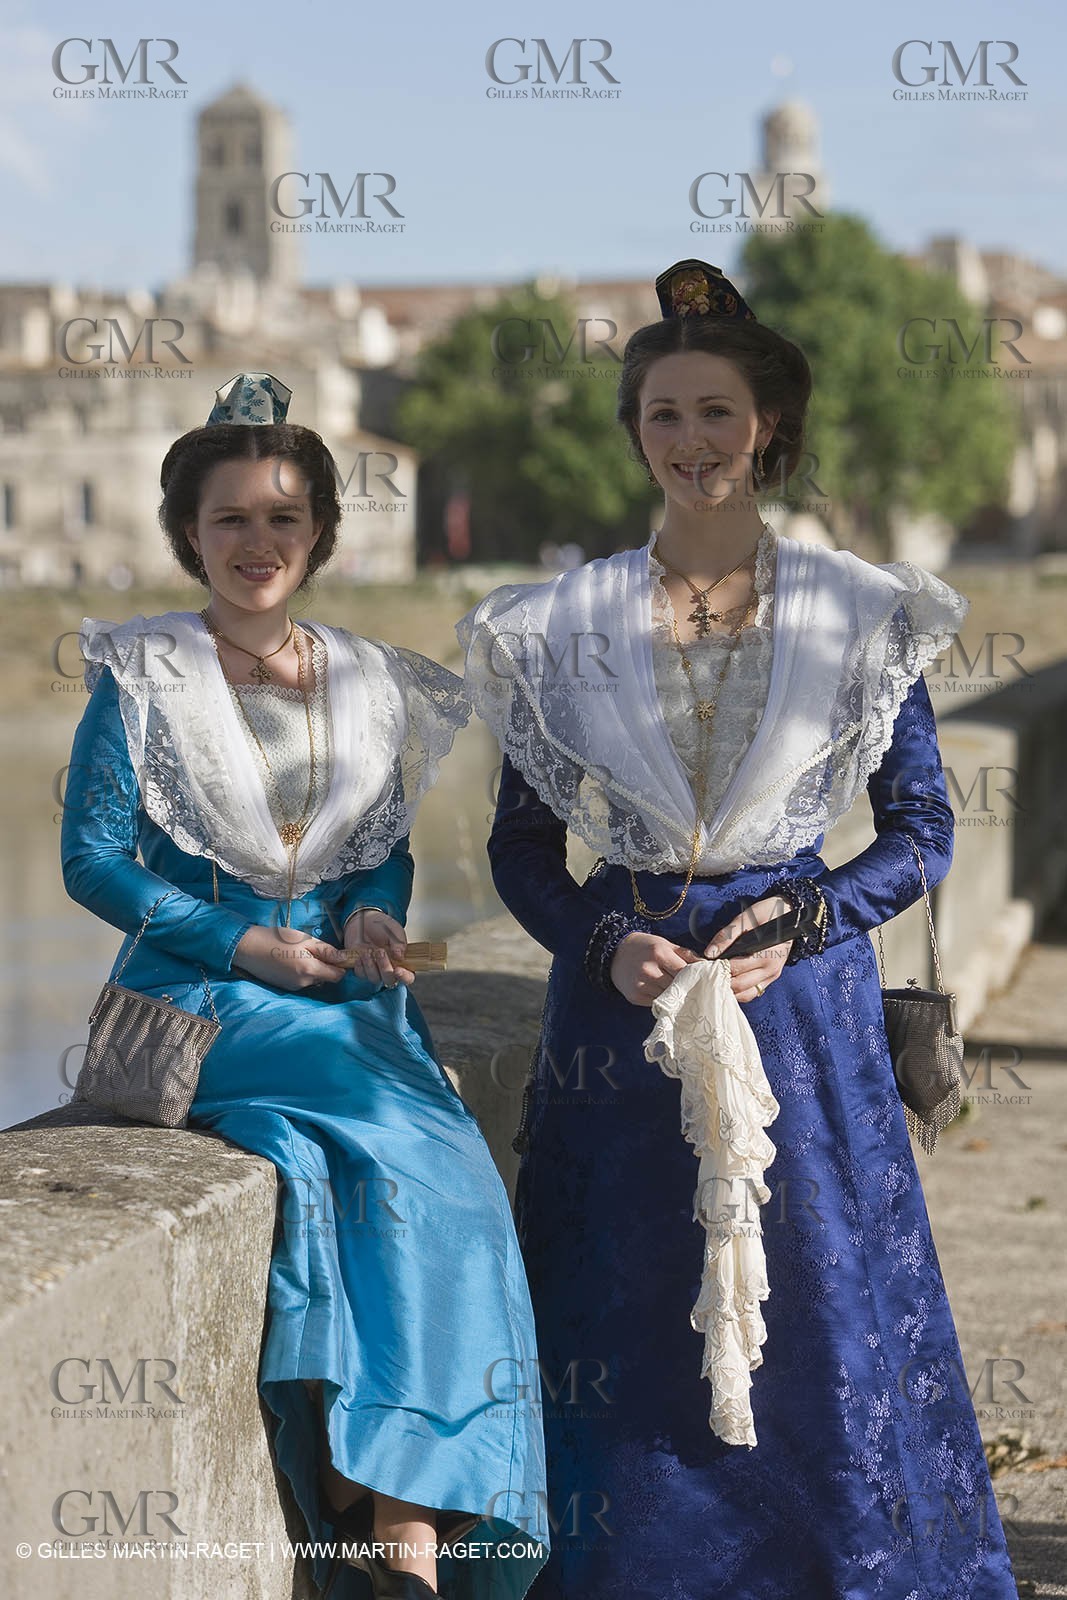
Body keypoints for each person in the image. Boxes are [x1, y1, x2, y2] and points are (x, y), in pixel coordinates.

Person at [455, 264, 1019, 1598]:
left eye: (715, 412)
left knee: (820, 1314)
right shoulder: (561, 625)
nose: (690, 441)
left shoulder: (856, 613)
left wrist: (815, 913)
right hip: (621, 1023)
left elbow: (919, 832)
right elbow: (522, 850)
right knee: (628, 1311)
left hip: (799, 1007)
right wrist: (603, 944)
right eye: (662, 415)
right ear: (633, 433)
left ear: (765, 425)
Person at [61, 373, 549, 1600]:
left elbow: (380, 843)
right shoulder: (143, 678)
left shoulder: (363, 680)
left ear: (319, 533)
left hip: (340, 987)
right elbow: (91, 860)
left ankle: (386, 1500)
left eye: (282, 518)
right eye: (229, 520)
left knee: (452, 1188)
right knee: (397, 1142)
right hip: (205, 994)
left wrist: (374, 911)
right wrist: (238, 942)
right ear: (188, 535)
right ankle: (397, 1523)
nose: (256, 543)